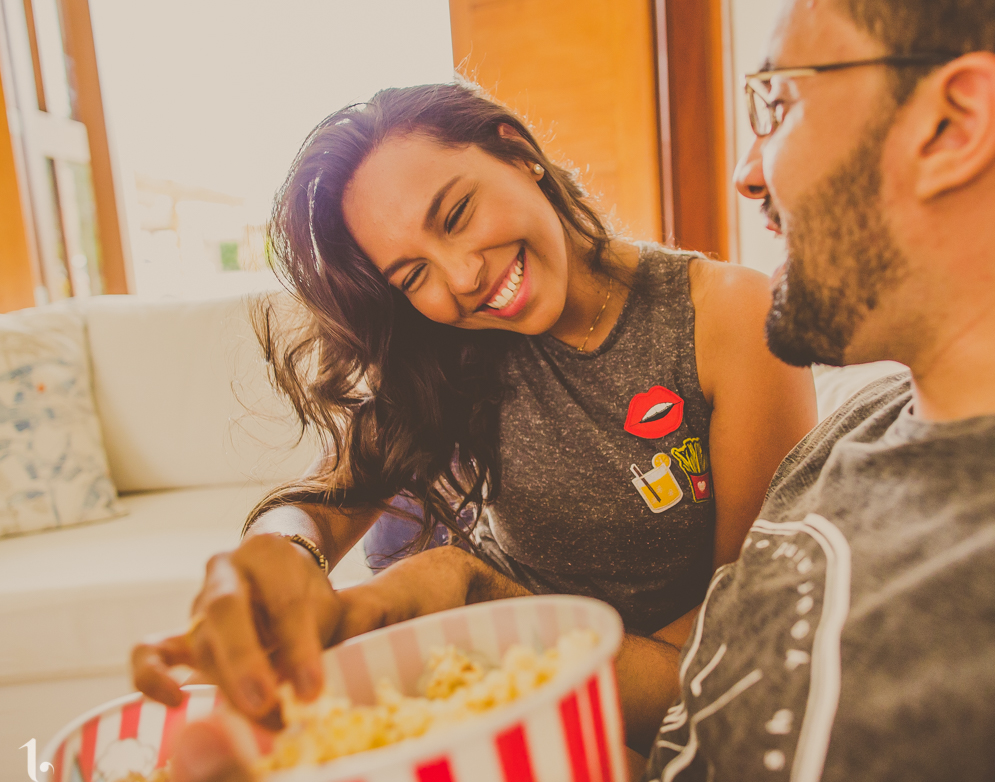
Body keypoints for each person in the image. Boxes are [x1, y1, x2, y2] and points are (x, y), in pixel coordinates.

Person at [142, 0, 995, 782]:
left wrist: (470, 615)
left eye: (777, 100)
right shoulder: (873, 437)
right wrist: (311, 559)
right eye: (412, 272)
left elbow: (713, 659)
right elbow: (730, 670)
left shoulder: (734, 324)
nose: (748, 175)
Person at [132, 82, 815, 728]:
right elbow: (324, 501)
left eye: (456, 215)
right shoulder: (450, 344)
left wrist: (468, 589)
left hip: (634, 692)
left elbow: (740, 633)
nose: (462, 278)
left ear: (518, 153)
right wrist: (281, 552)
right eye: (413, 275)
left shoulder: (727, 317)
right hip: (483, 669)